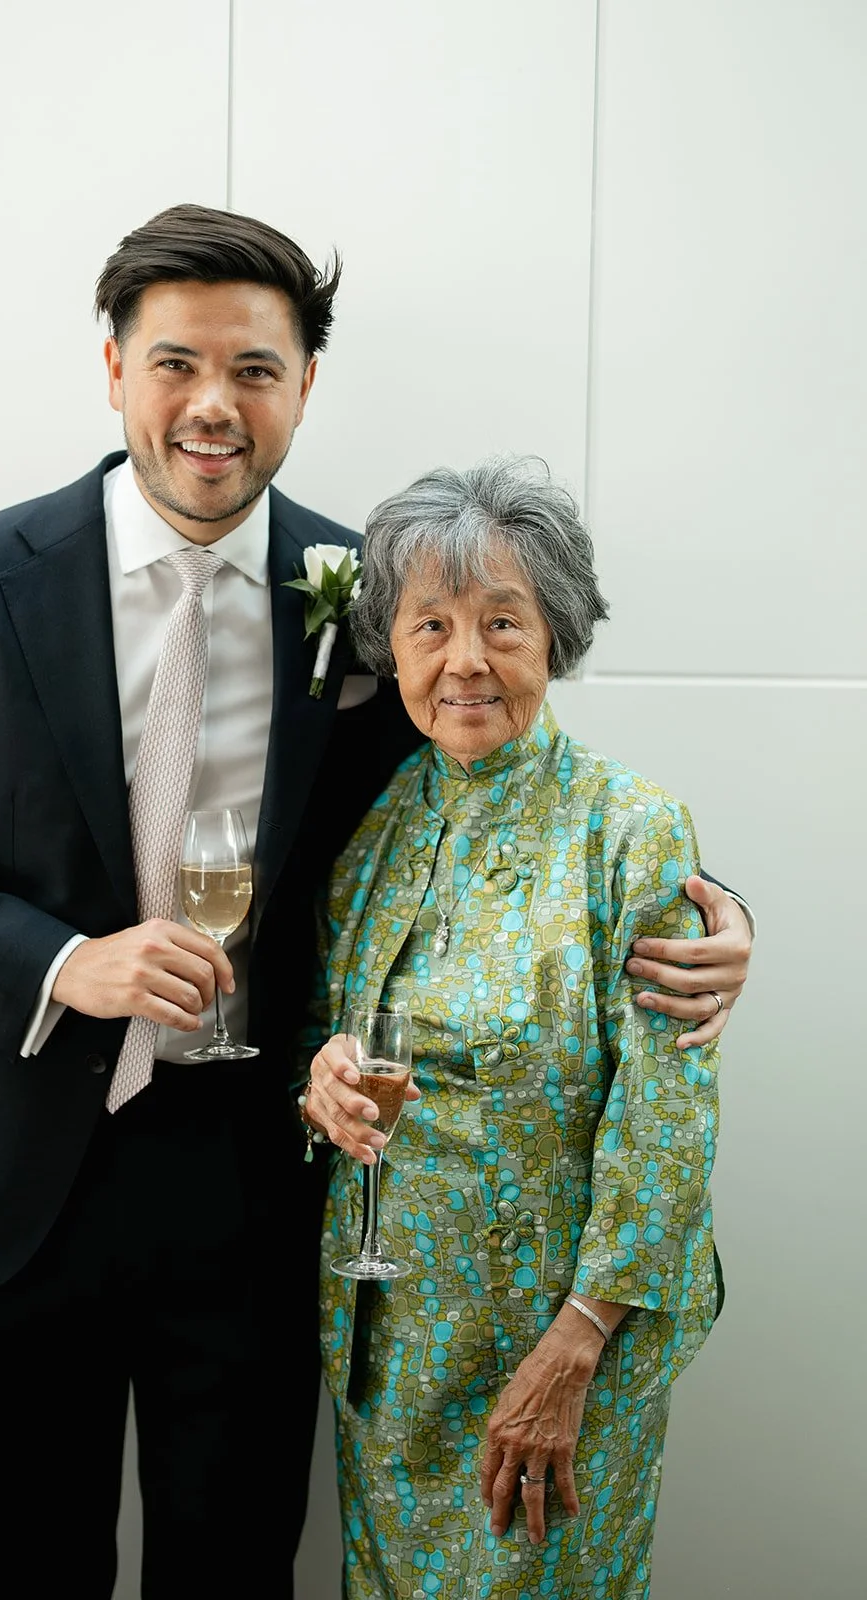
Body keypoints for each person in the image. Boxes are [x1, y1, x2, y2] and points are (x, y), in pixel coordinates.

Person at [0, 206, 750, 1600]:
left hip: (255, 1181)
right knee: (27, 1570)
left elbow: (481, 782)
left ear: (302, 385)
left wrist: (698, 909)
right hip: (8, 1177)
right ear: (111, 369)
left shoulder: (362, 594)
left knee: (235, 1569)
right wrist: (69, 962)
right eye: (174, 361)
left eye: (253, 369)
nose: (210, 404)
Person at [303, 457, 730, 1599]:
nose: (466, 660)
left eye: (503, 621)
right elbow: (318, 1024)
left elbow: (666, 1111)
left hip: (560, 1347)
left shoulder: (629, 829)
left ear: (558, 635)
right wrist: (324, 1078)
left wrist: (577, 1342)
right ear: (390, 649)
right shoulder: (380, 821)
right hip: (391, 1348)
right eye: (430, 625)